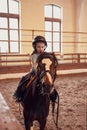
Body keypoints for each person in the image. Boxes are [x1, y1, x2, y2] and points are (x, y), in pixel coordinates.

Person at [13, 35, 58, 103]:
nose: (41, 49)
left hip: (43, 72)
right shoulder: (34, 56)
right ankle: (18, 95)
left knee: (50, 83)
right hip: (34, 72)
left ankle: (53, 97)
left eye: (42, 47)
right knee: (23, 80)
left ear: (45, 47)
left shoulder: (46, 55)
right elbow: (35, 66)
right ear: (35, 47)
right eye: (38, 47)